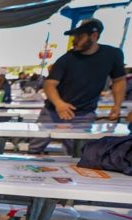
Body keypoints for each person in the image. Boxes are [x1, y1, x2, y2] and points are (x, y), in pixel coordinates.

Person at [29, 18, 125, 154]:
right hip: (53, 112)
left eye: (79, 36)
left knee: (77, 152)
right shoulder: (67, 58)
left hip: (84, 114)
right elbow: (49, 84)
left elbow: (119, 81)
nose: (74, 40)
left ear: (94, 36)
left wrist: (117, 105)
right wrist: (59, 104)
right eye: (74, 36)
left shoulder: (112, 55)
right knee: (35, 147)